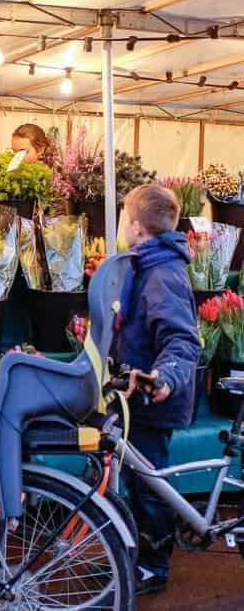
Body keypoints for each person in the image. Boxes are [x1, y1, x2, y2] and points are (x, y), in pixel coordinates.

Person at [114, 184, 201, 596]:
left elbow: (183, 340)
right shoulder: (145, 266)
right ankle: (132, 558)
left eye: (120, 219)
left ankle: (154, 565)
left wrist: (164, 377)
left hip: (154, 396)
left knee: (151, 487)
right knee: (135, 483)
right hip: (138, 397)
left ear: (135, 226)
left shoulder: (162, 273)